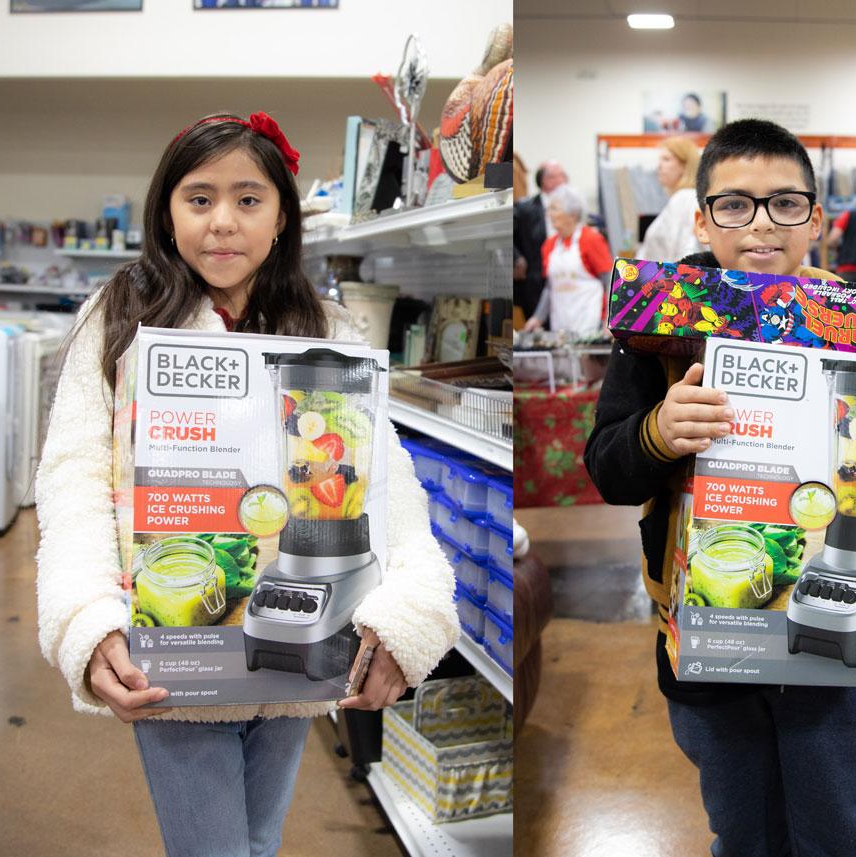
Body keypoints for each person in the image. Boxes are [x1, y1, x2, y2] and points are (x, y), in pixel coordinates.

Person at [35, 112, 459, 857]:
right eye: (199, 199)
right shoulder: (119, 318)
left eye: (248, 199)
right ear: (166, 212)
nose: (222, 223)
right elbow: (72, 476)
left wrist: (410, 613)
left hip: (296, 658)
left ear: (282, 215)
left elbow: (386, 481)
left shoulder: (320, 324)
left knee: (260, 841)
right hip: (174, 654)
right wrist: (85, 620)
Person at [583, 118, 856, 857]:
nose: (761, 224)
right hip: (709, 643)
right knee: (743, 831)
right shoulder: (660, 322)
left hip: (835, 654)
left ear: (816, 219)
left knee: (841, 831)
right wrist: (658, 429)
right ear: (701, 216)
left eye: (786, 204)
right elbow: (607, 468)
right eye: (735, 204)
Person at [523, 184, 613, 335]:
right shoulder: (549, 245)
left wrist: (610, 320)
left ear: (572, 214)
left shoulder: (591, 239)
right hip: (561, 325)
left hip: (591, 322)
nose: (549, 214)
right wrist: (537, 317)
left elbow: (609, 280)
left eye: (554, 209)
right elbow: (549, 287)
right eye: (549, 209)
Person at [514, 160, 568, 324]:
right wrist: (516, 258)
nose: (562, 181)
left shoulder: (570, 208)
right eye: (556, 176)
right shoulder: (525, 209)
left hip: (563, 281)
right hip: (534, 284)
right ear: (544, 181)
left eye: (563, 176)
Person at [638, 136, 702, 264]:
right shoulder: (683, 198)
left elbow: (686, 249)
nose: (659, 166)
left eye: (666, 159)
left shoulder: (685, 198)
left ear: (685, 165)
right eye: (660, 160)